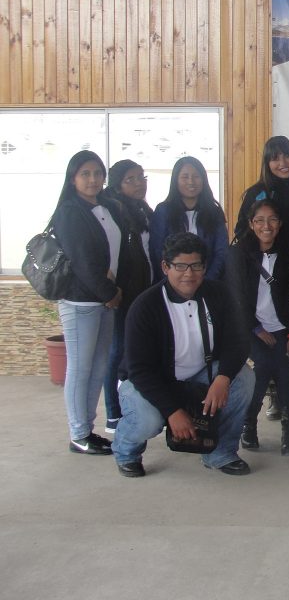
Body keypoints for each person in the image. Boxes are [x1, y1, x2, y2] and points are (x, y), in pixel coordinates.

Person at [112, 232, 256, 477]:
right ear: (165, 267)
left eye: (196, 265)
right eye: (180, 266)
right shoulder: (145, 306)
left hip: (200, 374)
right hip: (148, 381)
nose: (189, 274)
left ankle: (219, 453)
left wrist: (223, 378)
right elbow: (140, 370)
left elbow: (238, 341)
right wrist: (173, 412)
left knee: (243, 379)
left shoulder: (219, 295)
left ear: (204, 267)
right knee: (148, 420)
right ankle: (127, 451)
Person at [52, 151, 126, 456]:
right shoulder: (70, 211)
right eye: (86, 173)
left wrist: (110, 293)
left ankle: (87, 429)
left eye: (98, 173)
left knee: (97, 368)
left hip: (104, 300)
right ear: (73, 178)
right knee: (80, 370)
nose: (93, 179)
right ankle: (78, 434)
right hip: (82, 302)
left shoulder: (105, 206)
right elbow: (83, 261)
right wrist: (108, 293)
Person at [227, 199, 289, 455]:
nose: (266, 226)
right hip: (251, 329)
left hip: (283, 328)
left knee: (287, 376)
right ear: (251, 224)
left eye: (272, 219)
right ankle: (248, 426)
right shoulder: (239, 254)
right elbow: (236, 297)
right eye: (259, 220)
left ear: (280, 223)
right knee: (260, 372)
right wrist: (257, 329)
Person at [100, 159, 154, 434]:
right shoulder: (115, 210)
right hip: (125, 293)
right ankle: (113, 413)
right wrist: (113, 290)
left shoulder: (143, 209)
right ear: (117, 183)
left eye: (141, 177)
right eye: (131, 179)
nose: (139, 183)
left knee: (132, 350)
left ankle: (132, 404)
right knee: (118, 351)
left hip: (144, 290)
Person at [150, 156, 229, 281]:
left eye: (196, 176)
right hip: (172, 283)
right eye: (185, 177)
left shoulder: (214, 212)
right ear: (175, 180)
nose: (191, 182)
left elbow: (221, 252)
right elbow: (157, 250)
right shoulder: (163, 210)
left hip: (208, 283)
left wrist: (207, 280)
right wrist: (174, 282)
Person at [234, 136, 289, 253]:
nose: (283, 163)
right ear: (267, 163)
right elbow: (241, 230)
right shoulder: (256, 193)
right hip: (267, 264)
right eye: (275, 158)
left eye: (287, 156)